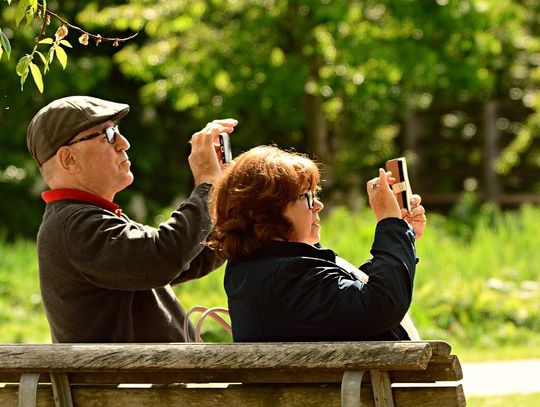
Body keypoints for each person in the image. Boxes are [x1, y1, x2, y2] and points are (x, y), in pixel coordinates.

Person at [26, 95, 237, 343]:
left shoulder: (83, 218)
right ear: (69, 159)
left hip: (142, 380)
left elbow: (195, 257)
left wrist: (222, 193)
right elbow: (166, 255)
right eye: (108, 135)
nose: (123, 143)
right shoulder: (75, 225)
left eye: (116, 131)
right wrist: (207, 184)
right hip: (132, 382)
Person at [209, 146, 426, 342]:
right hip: (354, 387)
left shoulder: (261, 271)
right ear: (268, 209)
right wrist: (389, 224)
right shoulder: (286, 277)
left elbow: (346, 299)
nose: (318, 205)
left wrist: (401, 237)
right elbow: (380, 305)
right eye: (307, 196)